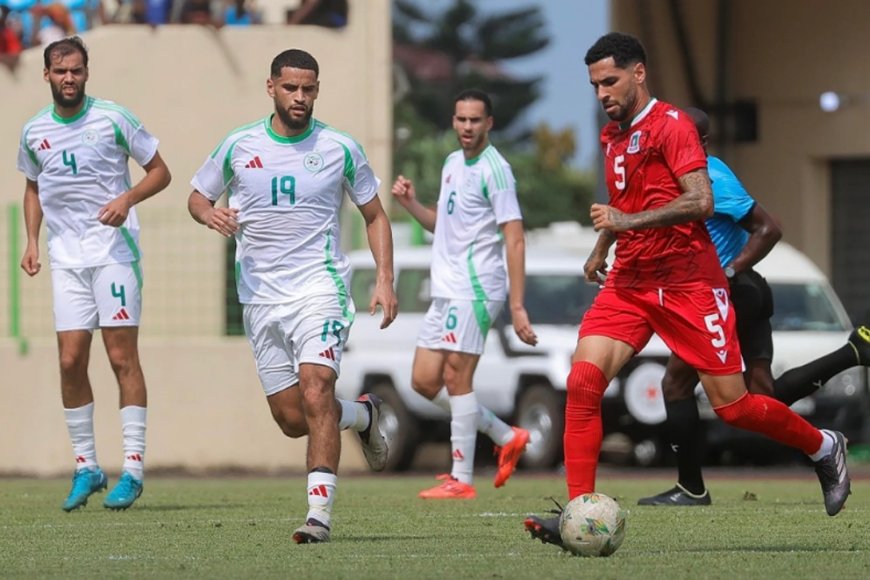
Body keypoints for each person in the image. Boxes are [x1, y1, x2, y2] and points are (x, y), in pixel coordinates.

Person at [524, 32, 851, 548]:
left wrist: (625, 221)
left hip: (689, 284)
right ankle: (578, 516)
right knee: (584, 383)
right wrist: (601, 248)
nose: (602, 93)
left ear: (638, 74)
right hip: (630, 282)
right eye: (593, 85)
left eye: (609, 81)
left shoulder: (672, 126)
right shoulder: (612, 137)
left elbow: (699, 201)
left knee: (734, 406)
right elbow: (623, 200)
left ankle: (822, 446)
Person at [188, 48, 397, 544]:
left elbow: (374, 215)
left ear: (317, 91)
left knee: (316, 386)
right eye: (291, 88)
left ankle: (318, 517)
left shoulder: (340, 147)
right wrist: (209, 214)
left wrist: (385, 278)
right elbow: (197, 195)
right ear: (271, 87)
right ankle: (363, 414)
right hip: (261, 298)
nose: (300, 97)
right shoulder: (239, 145)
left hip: (318, 290)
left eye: (309, 89)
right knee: (291, 418)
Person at [638, 107, 870, 506]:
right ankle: (852, 352)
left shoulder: (711, 176)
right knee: (764, 401)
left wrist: (729, 269)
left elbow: (771, 228)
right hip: (744, 291)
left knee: (676, 383)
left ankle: (691, 488)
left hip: (730, 292)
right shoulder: (677, 176)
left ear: (699, 142)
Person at [17, 36, 172, 511]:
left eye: (77, 70)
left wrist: (128, 199)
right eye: (61, 71)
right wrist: (30, 241)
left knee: (121, 357)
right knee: (69, 360)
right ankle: (87, 466)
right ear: (46, 75)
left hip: (113, 254)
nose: (69, 78)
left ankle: (133, 469)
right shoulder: (34, 131)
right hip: (66, 257)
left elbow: (160, 172)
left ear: (87, 73)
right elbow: (32, 188)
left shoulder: (113, 118)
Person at [391, 89, 538, 499]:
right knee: (423, 382)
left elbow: (515, 239)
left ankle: (462, 478)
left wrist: (518, 304)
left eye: (475, 120)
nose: (466, 127)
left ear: (489, 123)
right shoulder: (453, 162)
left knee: (457, 378)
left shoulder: (497, 170)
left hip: (476, 287)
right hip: (446, 288)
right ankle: (505, 434)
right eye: (461, 119)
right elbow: (444, 223)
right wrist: (410, 204)